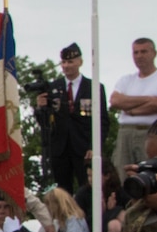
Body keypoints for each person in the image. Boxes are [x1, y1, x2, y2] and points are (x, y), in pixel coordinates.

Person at [32, 43, 107, 189]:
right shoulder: (53, 87)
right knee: (62, 190)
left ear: (80, 62)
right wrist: (40, 108)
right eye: (64, 62)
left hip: (84, 148)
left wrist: (95, 147)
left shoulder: (93, 87)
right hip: (60, 148)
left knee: (87, 188)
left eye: (70, 62)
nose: (66, 66)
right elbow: (45, 123)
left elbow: (102, 121)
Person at [111, 37, 157, 172]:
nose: (139, 56)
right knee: (122, 173)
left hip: (151, 132)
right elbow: (115, 101)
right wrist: (149, 99)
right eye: (136, 52)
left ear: (154, 53)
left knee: (150, 173)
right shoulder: (126, 80)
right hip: (125, 133)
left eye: (144, 52)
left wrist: (132, 110)